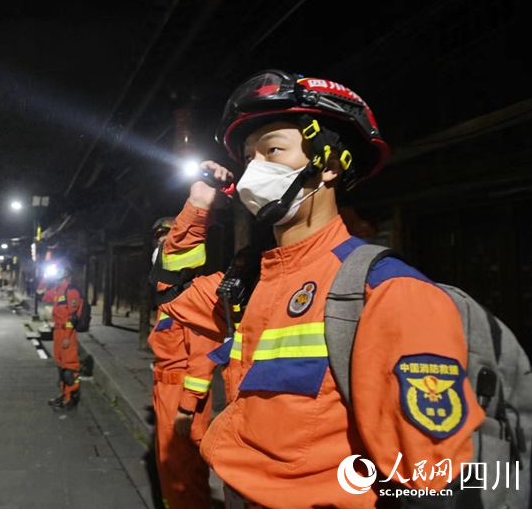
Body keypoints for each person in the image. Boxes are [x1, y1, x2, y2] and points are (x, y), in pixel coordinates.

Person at [162, 69, 485, 508]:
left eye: (273, 150)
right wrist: (198, 207)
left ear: (329, 165)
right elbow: (172, 298)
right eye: (249, 158)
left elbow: (435, 485)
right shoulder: (250, 282)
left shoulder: (387, 292)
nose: (255, 170)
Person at [147, 216, 220, 509]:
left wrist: (186, 408)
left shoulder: (193, 298)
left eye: (168, 238)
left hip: (181, 398)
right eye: (159, 238)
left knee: (185, 473)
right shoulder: (170, 300)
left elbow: (202, 359)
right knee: (169, 469)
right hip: (165, 391)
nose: (162, 244)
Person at [41, 260, 84, 411]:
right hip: (58, 332)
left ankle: (71, 397)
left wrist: (67, 336)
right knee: (61, 366)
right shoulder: (58, 290)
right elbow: (42, 295)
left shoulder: (71, 292)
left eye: (59, 270)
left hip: (67, 333)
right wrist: (45, 278)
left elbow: (73, 318)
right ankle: (63, 394)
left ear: (66, 273)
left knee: (70, 367)